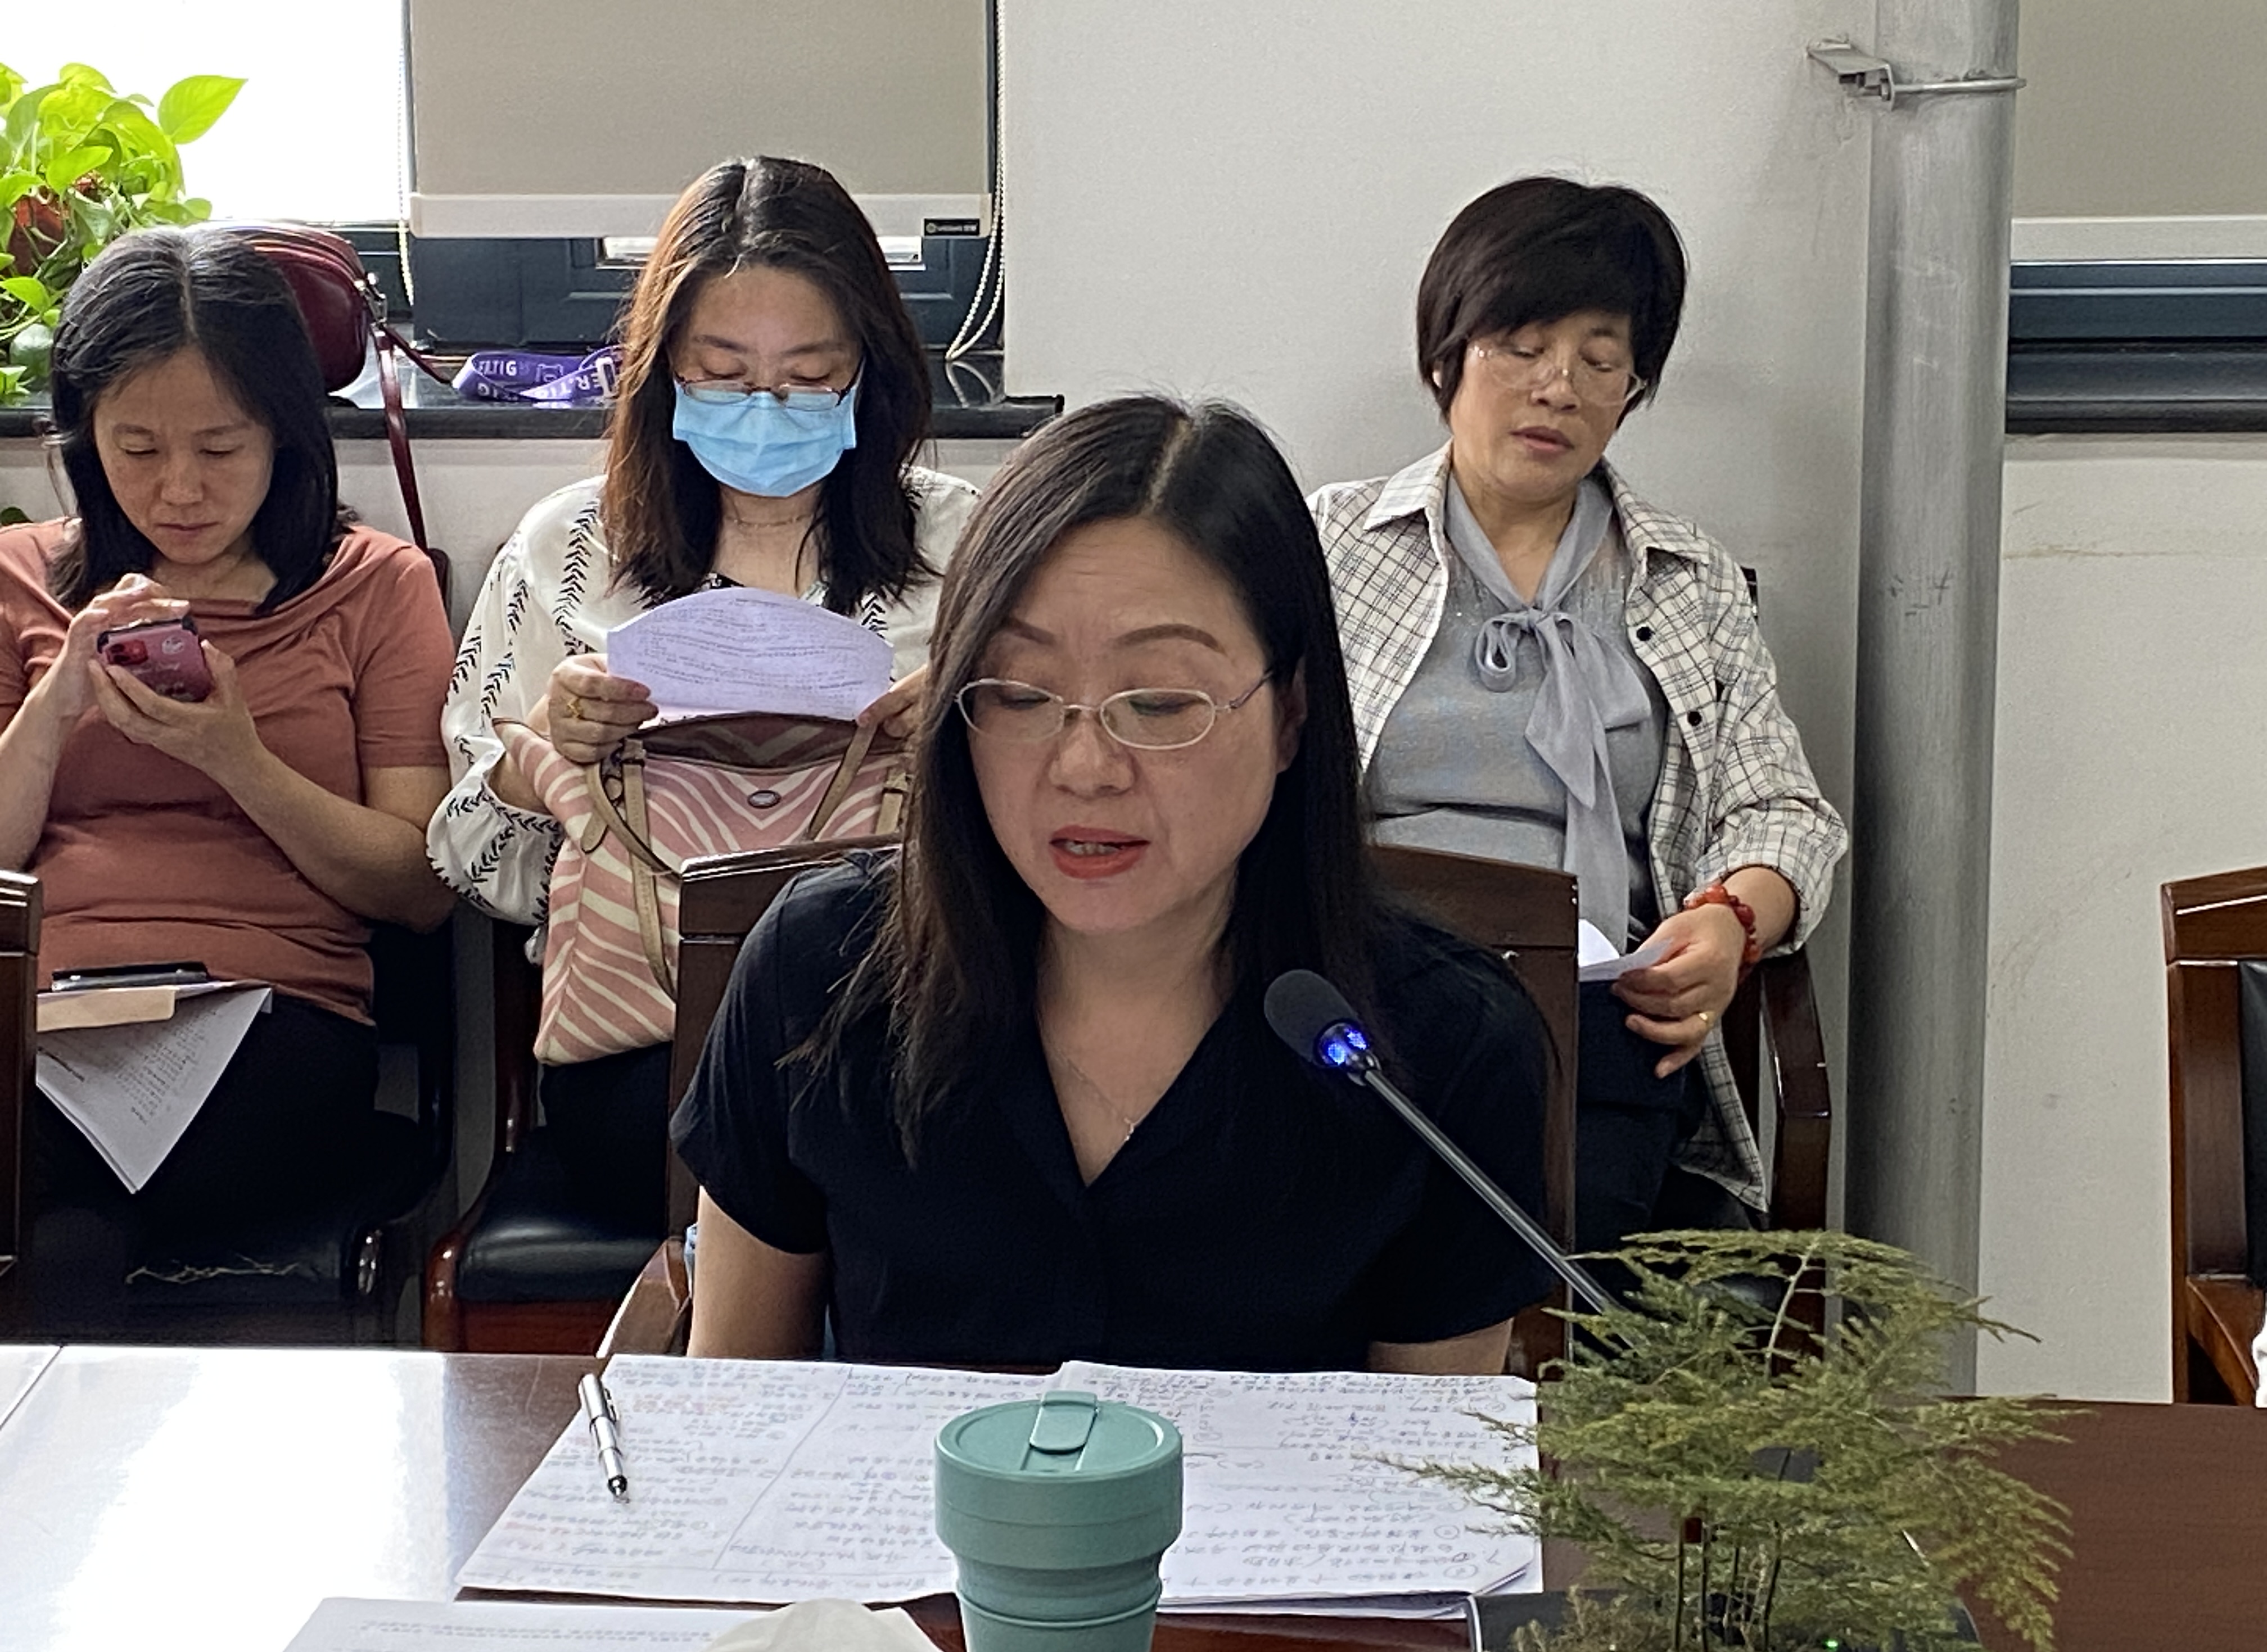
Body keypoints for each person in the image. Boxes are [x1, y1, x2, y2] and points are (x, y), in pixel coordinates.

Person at [674, 396, 1552, 1373]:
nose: (1085, 767)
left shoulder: (1441, 1047)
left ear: (1292, 713)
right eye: (1019, 694)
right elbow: (734, 1409)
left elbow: (1427, 1463)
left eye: (1161, 702)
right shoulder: (818, 972)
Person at [428, 157, 979, 1223]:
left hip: (901, 1010)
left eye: (810, 375)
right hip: (646, 1034)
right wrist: (546, 753)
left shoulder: (967, 547)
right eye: (722, 375)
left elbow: (1056, 828)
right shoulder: (568, 551)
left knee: (917, 1113)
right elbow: (467, 864)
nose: (766, 408)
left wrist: (971, 733)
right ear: (660, 372)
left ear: (871, 371)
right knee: (794, 1134)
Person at [1311, 178, 1848, 1253]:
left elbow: (1783, 808)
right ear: (1447, 356)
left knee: (1561, 1224)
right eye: (1522, 346)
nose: (1557, 388)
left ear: (1632, 390)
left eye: (1600, 361)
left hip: (1596, 1013)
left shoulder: (1683, 578)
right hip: (1375, 984)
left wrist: (1732, 922)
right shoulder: (1330, 547)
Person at [0, 228, 457, 1317]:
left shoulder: (375, 587)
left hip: (271, 1023)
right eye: (137, 448)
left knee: (49, 1189)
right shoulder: (20, 576)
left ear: (285, 435)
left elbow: (417, 888)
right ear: (83, 438)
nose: (180, 490)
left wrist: (235, 758)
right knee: (60, 1207)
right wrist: (57, 705)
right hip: (46, 1011)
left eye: (220, 448)